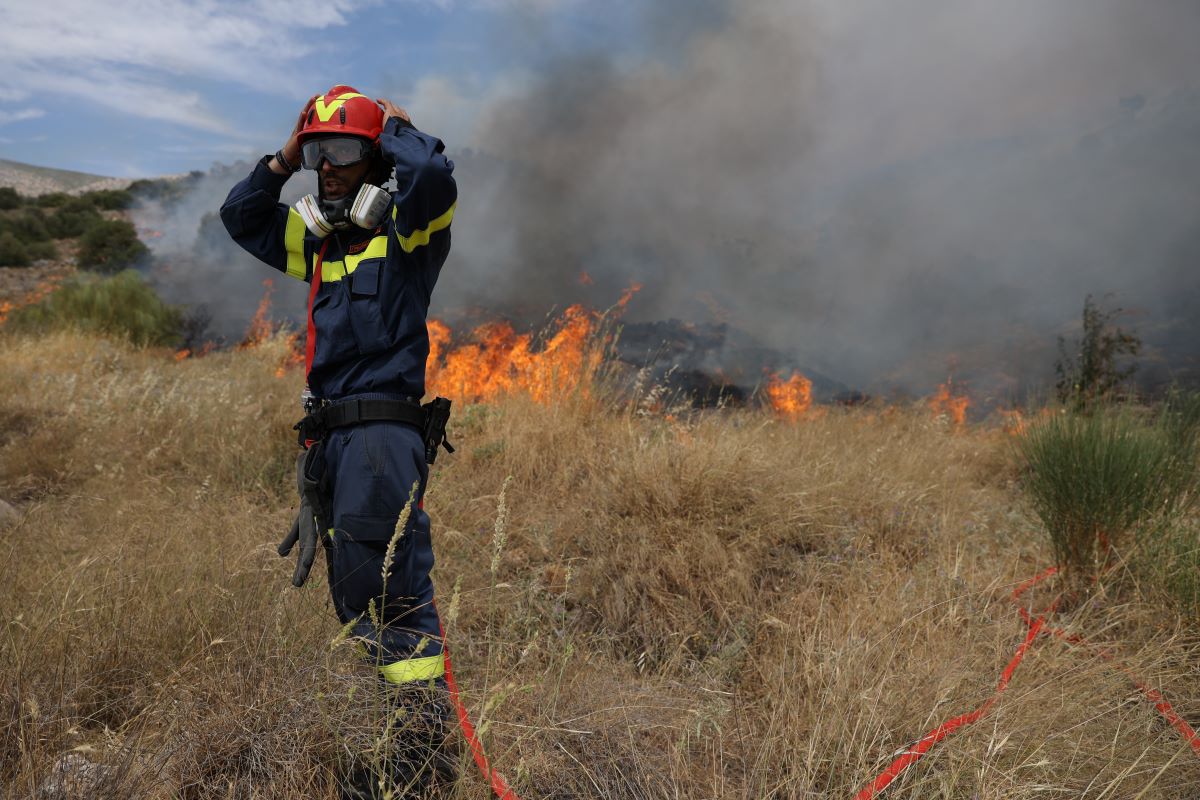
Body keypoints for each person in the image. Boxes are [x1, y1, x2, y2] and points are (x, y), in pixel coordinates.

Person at [220, 85, 458, 798]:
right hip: (338, 441)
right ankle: (396, 748)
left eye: (344, 152)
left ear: (374, 158)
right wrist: (286, 153)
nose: (328, 167)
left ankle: (414, 764)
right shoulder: (320, 243)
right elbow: (241, 216)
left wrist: (397, 128)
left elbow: (433, 177)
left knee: (389, 594)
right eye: (320, 154)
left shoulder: (408, 231)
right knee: (360, 594)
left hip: (382, 434)